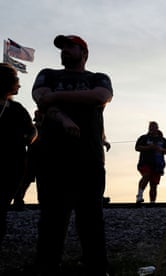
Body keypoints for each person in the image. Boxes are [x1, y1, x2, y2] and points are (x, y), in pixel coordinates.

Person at [31, 35, 113, 275]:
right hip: (52, 158)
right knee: (51, 219)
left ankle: (97, 267)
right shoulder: (48, 74)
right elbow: (40, 97)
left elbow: (100, 96)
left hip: (89, 157)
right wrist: (61, 115)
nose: (64, 50)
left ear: (84, 52)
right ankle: (46, 266)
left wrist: (55, 99)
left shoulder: (98, 77)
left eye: (70, 46)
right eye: (62, 47)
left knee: (91, 218)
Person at [0, 63, 36, 245]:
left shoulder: (17, 109)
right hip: (10, 166)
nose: (19, 85)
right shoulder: (15, 109)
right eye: (16, 80)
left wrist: (27, 138)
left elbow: (32, 131)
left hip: (12, 168)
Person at [12, 110, 43, 211]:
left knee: (35, 182)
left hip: (37, 159)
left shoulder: (39, 128)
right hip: (32, 159)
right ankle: (18, 202)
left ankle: (19, 202)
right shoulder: (35, 129)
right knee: (25, 181)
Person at [135, 121, 166, 203]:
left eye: (154, 127)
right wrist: (148, 147)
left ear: (157, 128)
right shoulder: (143, 138)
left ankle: (152, 203)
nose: (152, 128)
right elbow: (137, 148)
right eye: (150, 127)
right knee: (146, 176)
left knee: (154, 185)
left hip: (158, 165)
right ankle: (139, 195)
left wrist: (161, 149)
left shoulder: (162, 139)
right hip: (144, 163)